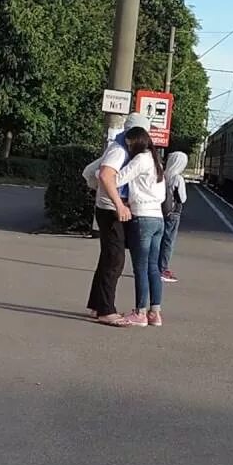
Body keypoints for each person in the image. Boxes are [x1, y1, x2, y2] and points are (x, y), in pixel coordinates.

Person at [85, 112, 151, 326]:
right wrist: (119, 204)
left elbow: (92, 172)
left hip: (107, 208)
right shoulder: (119, 149)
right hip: (110, 210)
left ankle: (97, 305)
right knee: (115, 259)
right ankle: (106, 310)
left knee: (108, 257)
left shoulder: (120, 146)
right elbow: (105, 175)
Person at [107, 127, 166, 327]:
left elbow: (117, 179)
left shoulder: (140, 159)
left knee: (140, 268)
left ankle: (140, 312)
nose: (128, 146)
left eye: (130, 143)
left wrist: (101, 172)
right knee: (153, 268)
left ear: (136, 142)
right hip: (158, 218)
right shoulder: (157, 161)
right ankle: (155, 313)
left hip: (142, 218)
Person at [159, 151, 188, 283]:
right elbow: (182, 198)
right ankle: (163, 269)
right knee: (168, 242)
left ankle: (155, 267)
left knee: (159, 241)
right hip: (174, 213)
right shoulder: (178, 178)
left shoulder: (163, 175)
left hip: (160, 211)